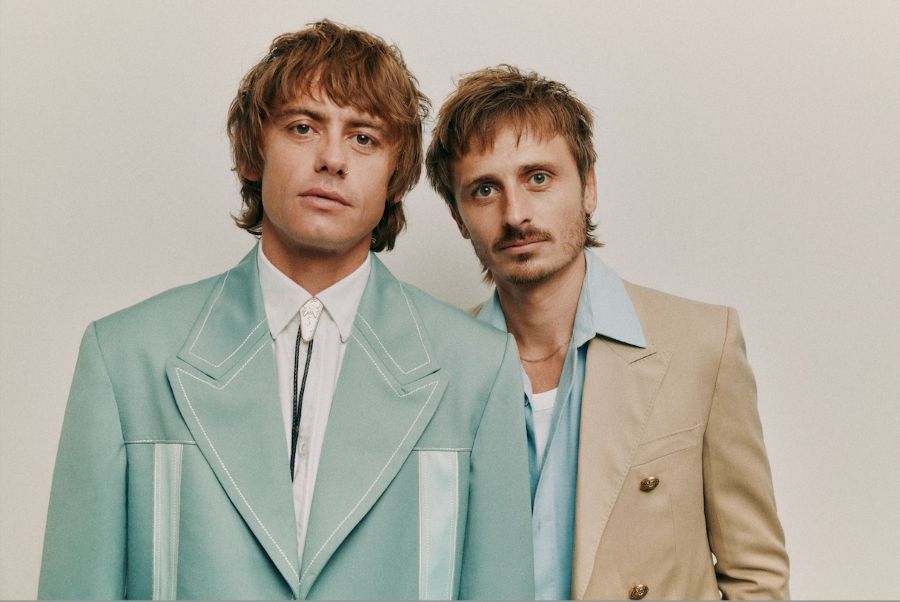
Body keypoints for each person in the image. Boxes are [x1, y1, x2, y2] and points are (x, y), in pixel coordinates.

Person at [39, 24, 534, 600]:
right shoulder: (125, 358)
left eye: (364, 138)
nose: (332, 159)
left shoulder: (478, 368)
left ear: (397, 177)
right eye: (303, 127)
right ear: (252, 152)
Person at [426, 65, 789, 600]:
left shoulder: (700, 343)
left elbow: (756, 575)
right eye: (484, 190)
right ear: (459, 218)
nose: (516, 214)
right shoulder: (433, 369)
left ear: (588, 186)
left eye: (538, 178)